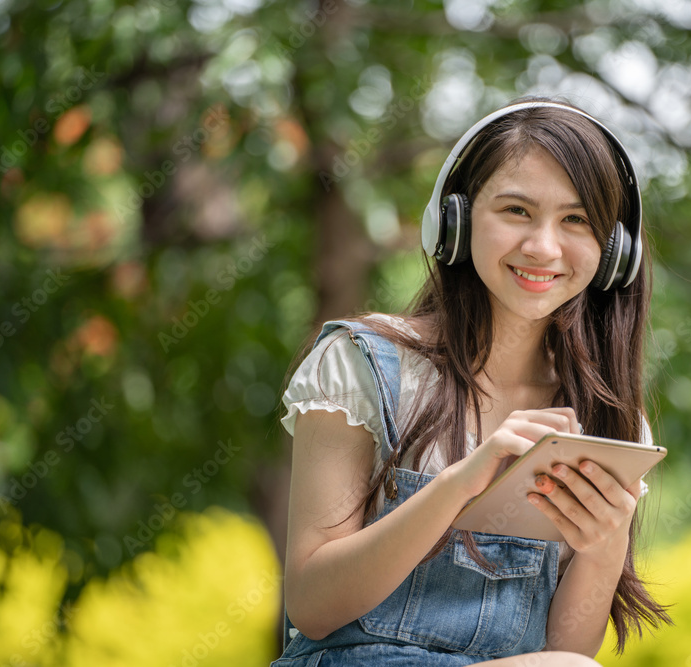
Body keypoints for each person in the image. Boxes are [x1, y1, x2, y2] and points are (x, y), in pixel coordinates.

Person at [272, 96, 670, 666]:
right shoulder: (363, 364)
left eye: (576, 220)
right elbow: (311, 605)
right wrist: (460, 485)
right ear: (454, 222)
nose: (543, 247)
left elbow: (563, 649)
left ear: (614, 253)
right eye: (515, 210)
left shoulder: (609, 422)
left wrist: (605, 544)